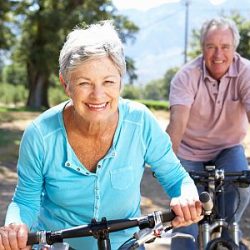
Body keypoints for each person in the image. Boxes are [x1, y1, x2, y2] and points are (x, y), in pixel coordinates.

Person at [0, 21, 202, 250]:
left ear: (120, 83)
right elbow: (26, 200)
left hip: (125, 244)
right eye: (85, 83)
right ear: (66, 85)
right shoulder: (39, 135)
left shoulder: (141, 122)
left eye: (108, 82)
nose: (98, 95)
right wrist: (15, 227)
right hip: (58, 246)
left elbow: (177, 178)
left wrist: (186, 196)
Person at [166, 17, 250, 250]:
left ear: (235, 48)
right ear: (202, 47)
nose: (218, 54)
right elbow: (177, 123)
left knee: (240, 191)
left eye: (225, 47)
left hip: (227, 148)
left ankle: (228, 235)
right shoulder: (186, 76)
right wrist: (168, 168)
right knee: (186, 220)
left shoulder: (246, 72)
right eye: (211, 46)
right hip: (189, 151)